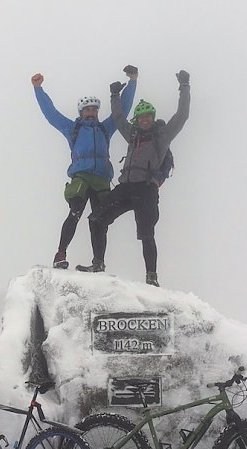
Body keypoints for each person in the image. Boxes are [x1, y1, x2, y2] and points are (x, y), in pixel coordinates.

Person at [76, 70, 190, 287]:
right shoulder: (133, 135)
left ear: (153, 118)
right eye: (141, 117)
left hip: (146, 189)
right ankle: (98, 263)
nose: (145, 120)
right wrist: (115, 96)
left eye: (148, 116)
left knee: (146, 233)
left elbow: (182, 115)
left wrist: (184, 85)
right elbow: (119, 119)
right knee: (96, 219)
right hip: (126, 187)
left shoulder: (162, 136)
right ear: (137, 119)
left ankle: (151, 277)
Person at [31, 66, 138, 269]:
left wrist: (133, 81)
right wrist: (38, 89)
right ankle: (60, 254)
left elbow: (122, 109)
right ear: (81, 112)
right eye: (88, 110)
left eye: (94, 110)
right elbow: (51, 114)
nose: (92, 112)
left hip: (101, 180)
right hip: (81, 177)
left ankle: (98, 263)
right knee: (75, 213)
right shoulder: (73, 128)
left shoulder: (105, 128)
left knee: (99, 221)